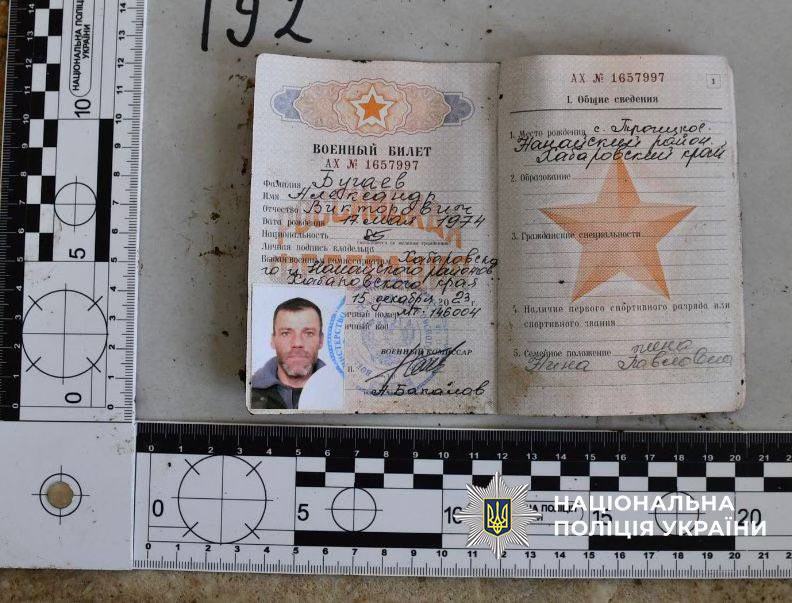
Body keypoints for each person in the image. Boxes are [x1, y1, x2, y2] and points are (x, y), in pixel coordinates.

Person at [250, 297, 326, 410]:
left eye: (309, 333)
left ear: (321, 340)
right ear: (273, 340)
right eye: (286, 333)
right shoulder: (247, 392)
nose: (297, 343)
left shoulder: (341, 391)